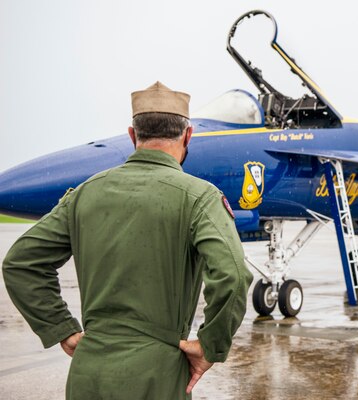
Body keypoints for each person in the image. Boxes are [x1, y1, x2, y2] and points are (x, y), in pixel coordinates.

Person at [3, 81, 253, 399]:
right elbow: (232, 274)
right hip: (158, 376)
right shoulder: (200, 197)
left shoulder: (84, 195)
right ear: (188, 136)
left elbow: (21, 262)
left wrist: (61, 328)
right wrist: (209, 346)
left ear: (133, 136)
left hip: (88, 374)